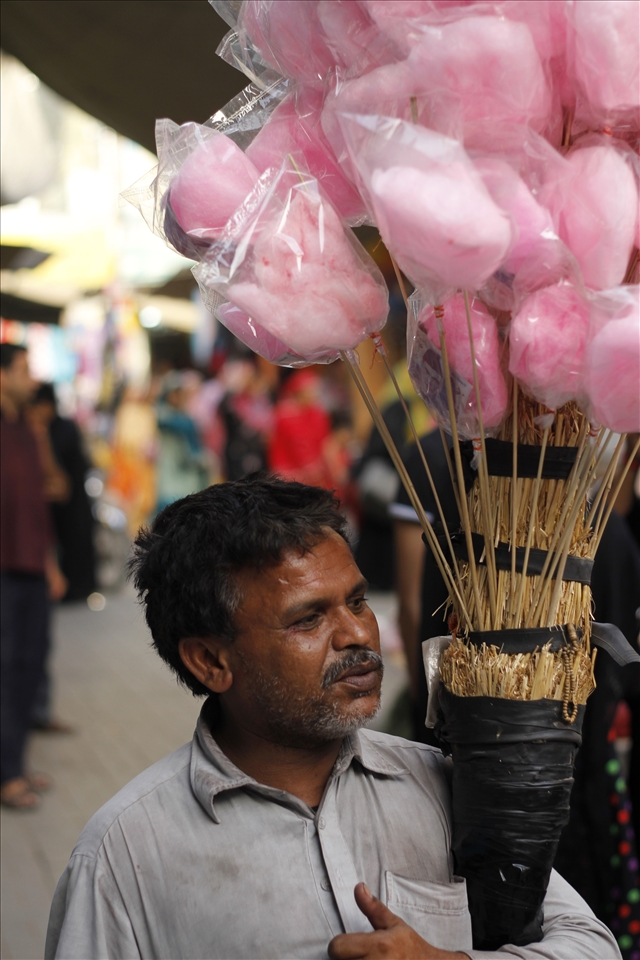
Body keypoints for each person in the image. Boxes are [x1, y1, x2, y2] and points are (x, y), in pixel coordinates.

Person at [46, 476, 618, 959]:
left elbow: (591, 944)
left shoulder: (444, 784)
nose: (358, 634)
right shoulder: (123, 856)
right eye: (307, 619)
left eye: (358, 600)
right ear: (211, 661)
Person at [0, 344, 67, 810]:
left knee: (27, 666)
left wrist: (49, 564)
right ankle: (6, 775)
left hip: (29, 566)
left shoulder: (26, 430)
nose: (32, 379)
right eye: (23, 370)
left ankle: (15, 766)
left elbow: (46, 496)